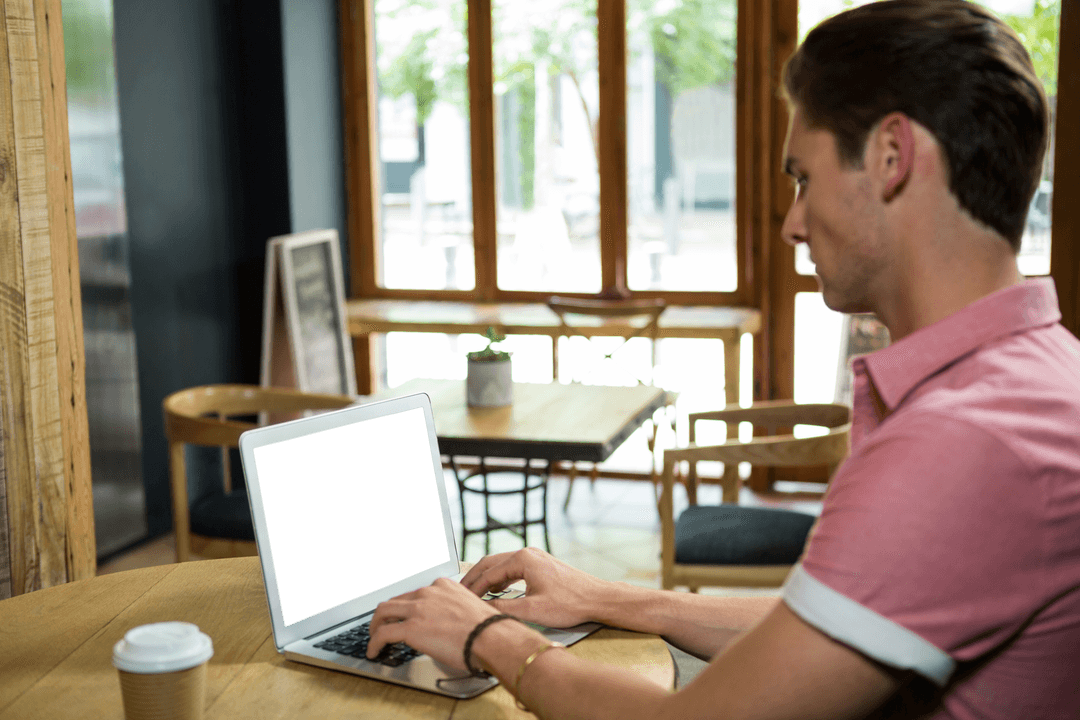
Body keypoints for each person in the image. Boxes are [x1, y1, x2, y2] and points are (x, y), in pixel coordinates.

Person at [367, 1, 1080, 717]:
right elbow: (819, 631)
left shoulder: (961, 441)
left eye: (803, 177)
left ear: (893, 157)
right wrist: (607, 596)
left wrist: (488, 637)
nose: (792, 224)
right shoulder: (1037, 378)